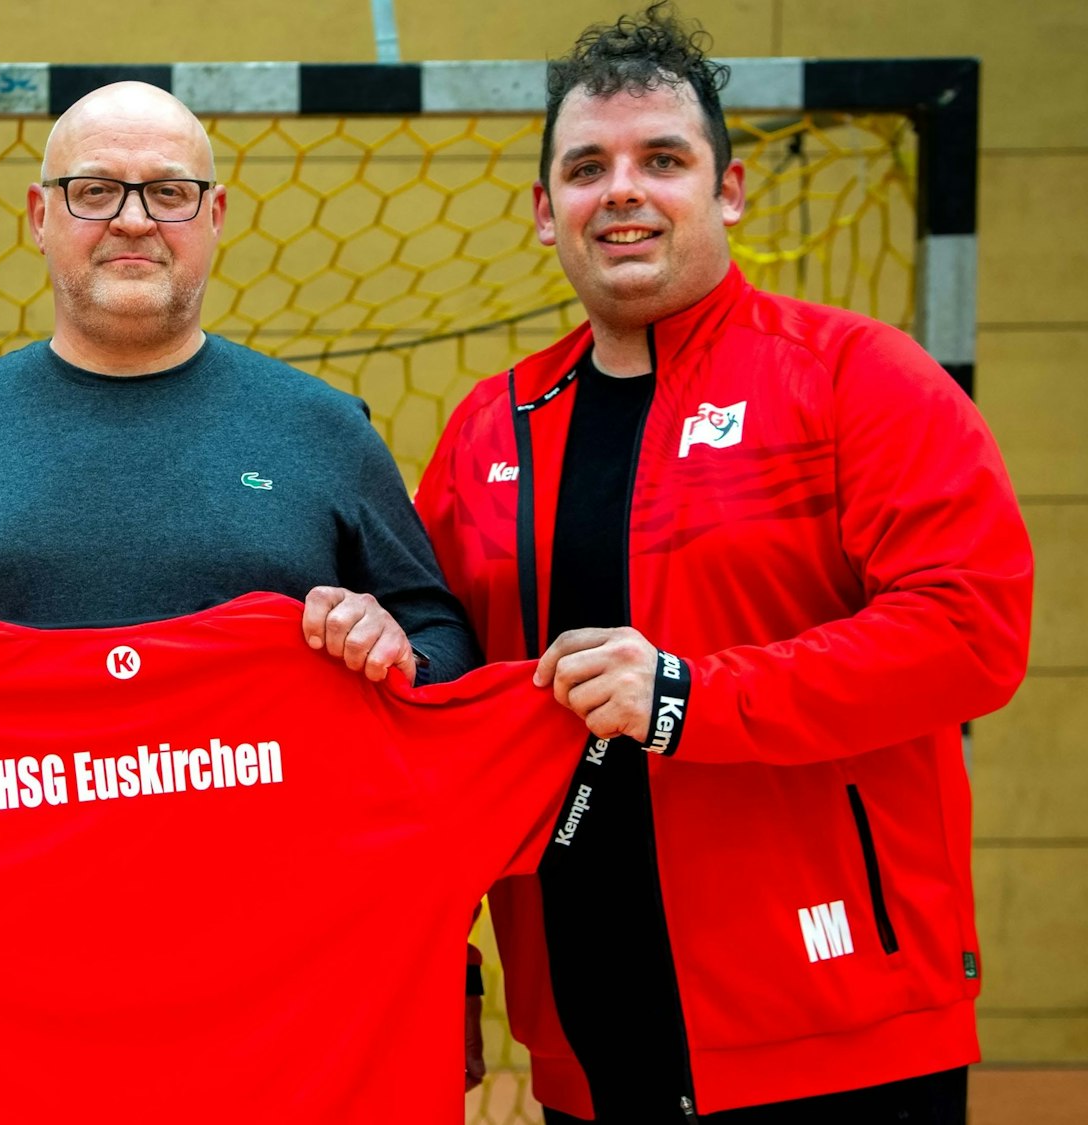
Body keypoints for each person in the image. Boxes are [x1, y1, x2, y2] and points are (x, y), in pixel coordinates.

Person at [413, 5, 1033, 1123]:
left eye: (662, 159)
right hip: (583, 1037)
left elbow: (969, 633)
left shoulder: (856, 378)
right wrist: (433, 963)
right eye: (587, 166)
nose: (623, 191)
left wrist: (688, 698)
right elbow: (436, 721)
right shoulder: (484, 432)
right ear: (543, 212)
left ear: (727, 189)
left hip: (838, 1026)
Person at [0, 80, 479, 756]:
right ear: (40, 216)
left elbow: (444, 641)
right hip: (0, 880)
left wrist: (397, 649)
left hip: (265, 877)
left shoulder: (326, 432)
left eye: (169, 192)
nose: (133, 219)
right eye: (95, 191)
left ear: (215, 215)